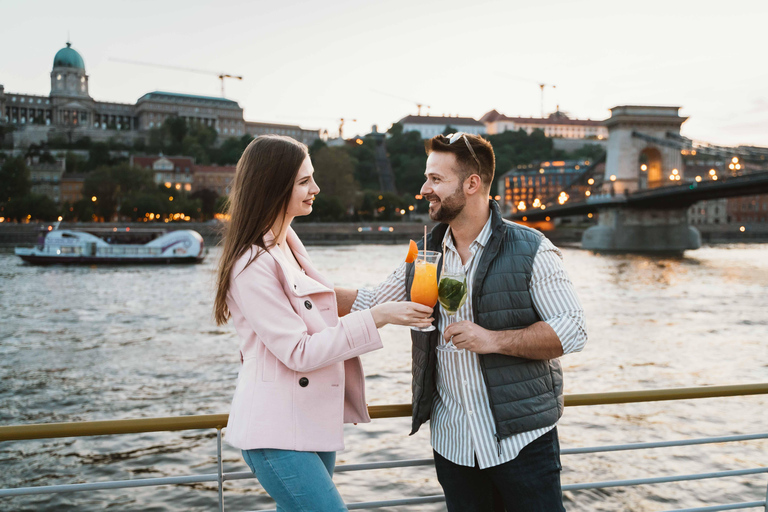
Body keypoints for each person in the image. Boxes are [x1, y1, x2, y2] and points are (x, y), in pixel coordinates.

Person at [336, 133, 587, 511]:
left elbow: (573, 329)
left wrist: (494, 340)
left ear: (472, 184)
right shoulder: (423, 258)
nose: (424, 189)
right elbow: (369, 302)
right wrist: (296, 286)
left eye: (436, 179)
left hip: (523, 444)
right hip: (454, 448)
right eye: (427, 178)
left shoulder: (533, 248)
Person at [213, 135, 434, 511]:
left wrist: (404, 280)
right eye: (304, 181)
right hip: (275, 431)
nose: (316, 188)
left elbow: (327, 313)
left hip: (311, 418)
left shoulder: (287, 243)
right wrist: (377, 318)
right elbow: (298, 351)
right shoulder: (251, 264)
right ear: (273, 186)